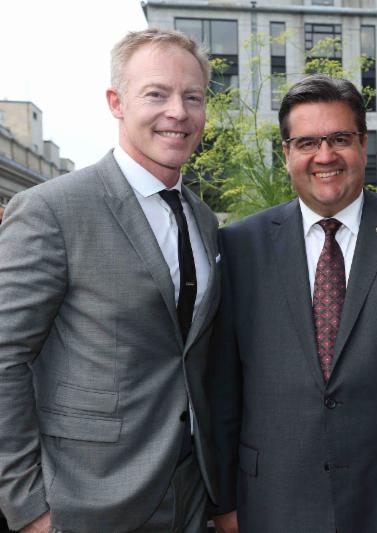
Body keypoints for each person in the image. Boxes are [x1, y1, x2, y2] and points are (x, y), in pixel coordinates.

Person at [209, 75, 377, 533]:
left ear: (363, 144)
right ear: (286, 154)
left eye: (340, 138)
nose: (325, 156)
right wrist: (224, 499)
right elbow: (222, 386)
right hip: (272, 501)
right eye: (307, 142)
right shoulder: (241, 246)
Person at [0, 28, 220, 533]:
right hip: (85, 501)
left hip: (188, 498)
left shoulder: (203, 221)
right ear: (116, 102)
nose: (178, 112)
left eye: (193, 97)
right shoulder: (53, 209)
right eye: (157, 94)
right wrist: (27, 507)